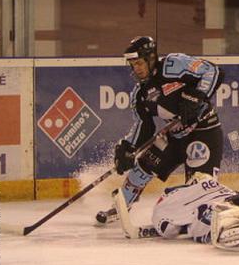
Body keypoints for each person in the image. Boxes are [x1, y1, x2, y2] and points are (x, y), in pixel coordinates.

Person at [96, 36, 224, 224]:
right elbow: (144, 126)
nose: (136, 68)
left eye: (139, 63)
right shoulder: (140, 94)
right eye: (132, 64)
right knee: (141, 168)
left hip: (204, 131)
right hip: (175, 135)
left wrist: (197, 96)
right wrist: (127, 148)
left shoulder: (174, 65)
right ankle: (121, 206)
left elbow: (213, 71)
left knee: (198, 187)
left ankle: (203, 216)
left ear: (151, 57)